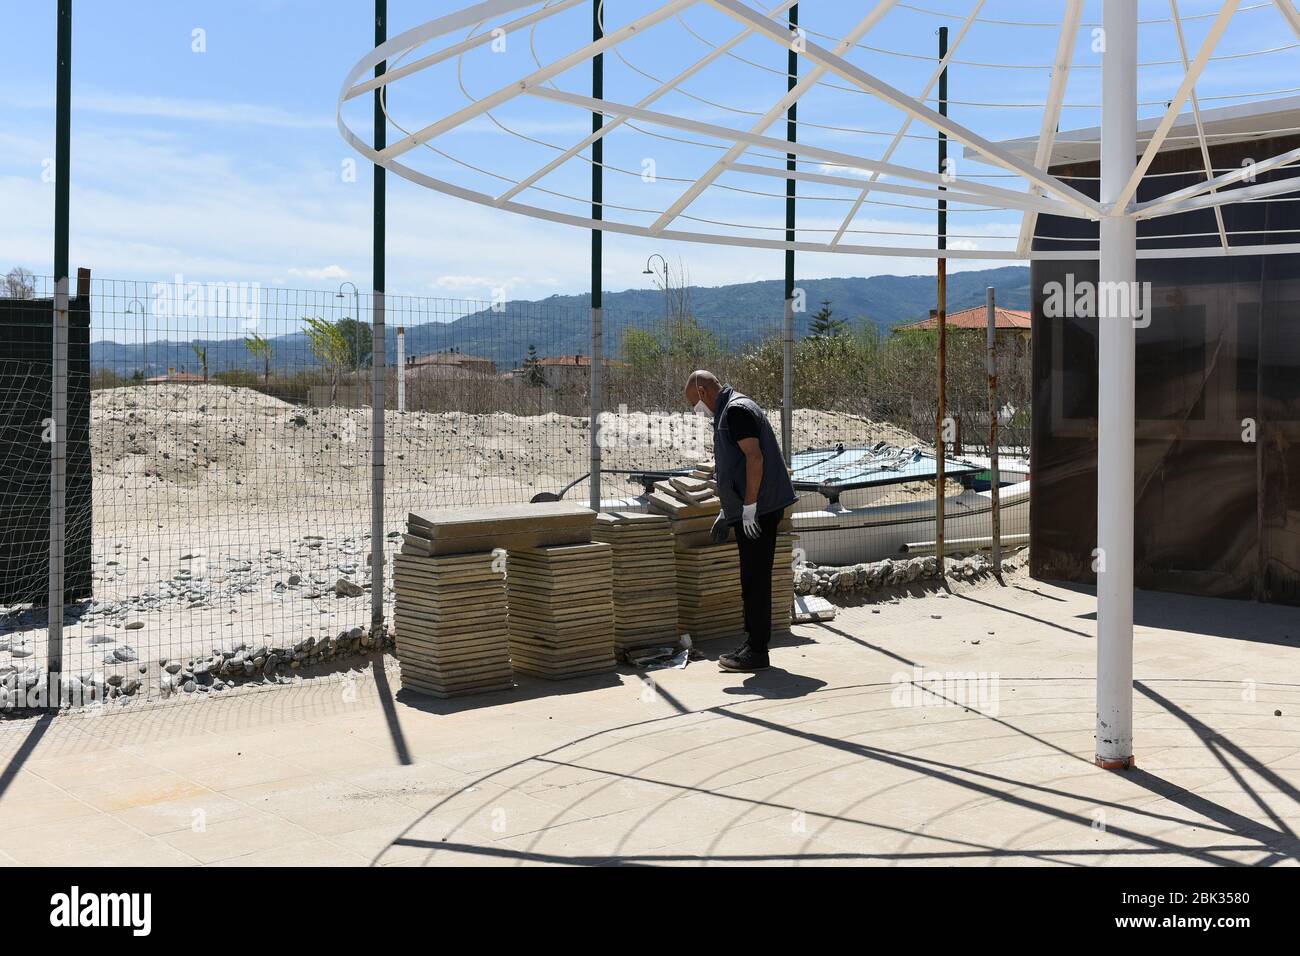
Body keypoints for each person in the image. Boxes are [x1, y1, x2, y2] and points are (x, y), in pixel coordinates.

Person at [685, 370, 797, 672]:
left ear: (704, 391)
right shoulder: (730, 409)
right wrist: (730, 510)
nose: (698, 411)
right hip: (753, 507)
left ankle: (757, 651)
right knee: (752, 577)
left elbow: (754, 459)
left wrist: (748, 507)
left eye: (695, 403)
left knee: (755, 579)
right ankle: (753, 644)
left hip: (759, 510)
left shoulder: (735, 411)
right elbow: (736, 464)